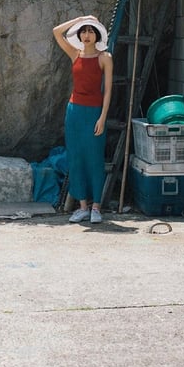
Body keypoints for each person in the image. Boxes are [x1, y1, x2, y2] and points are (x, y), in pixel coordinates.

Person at [53, 14, 113, 223]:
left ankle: (96, 207)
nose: (87, 35)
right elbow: (56, 32)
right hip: (74, 112)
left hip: (94, 112)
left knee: (94, 158)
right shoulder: (74, 54)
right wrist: (82, 18)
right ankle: (83, 207)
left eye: (91, 31)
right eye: (84, 31)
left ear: (97, 35)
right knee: (76, 157)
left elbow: (107, 91)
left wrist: (103, 117)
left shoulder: (105, 57)